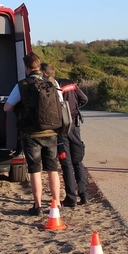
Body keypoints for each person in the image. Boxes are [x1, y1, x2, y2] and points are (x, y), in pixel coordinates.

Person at [3, 52, 63, 215]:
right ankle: (56, 203)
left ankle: (37, 206)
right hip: (51, 132)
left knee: (35, 170)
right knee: (52, 169)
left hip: (31, 134)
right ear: (39, 66)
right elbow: (60, 103)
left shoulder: (22, 85)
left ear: (27, 67)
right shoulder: (52, 82)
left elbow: (7, 107)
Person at [41, 63, 89, 207]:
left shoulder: (49, 87)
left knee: (66, 163)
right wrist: (73, 110)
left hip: (60, 128)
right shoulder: (70, 83)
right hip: (74, 126)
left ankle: (71, 198)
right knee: (78, 161)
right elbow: (84, 99)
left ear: (44, 74)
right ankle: (84, 194)